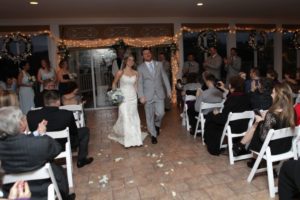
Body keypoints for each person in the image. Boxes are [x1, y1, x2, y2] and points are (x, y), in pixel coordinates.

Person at [0, 106, 75, 200]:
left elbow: (20, 141)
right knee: (59, 170)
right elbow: (57, 148)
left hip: (13, 192)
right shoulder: (42, 143)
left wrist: (37, 133)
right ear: (21, 124)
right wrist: (43, 134)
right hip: (45, 191)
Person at [27, 90, 93, 168]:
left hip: (42, 146)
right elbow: (74, 132)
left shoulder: (31, 115)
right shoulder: (67, 114)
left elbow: (32, 132)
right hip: (62, 144)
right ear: (58, 101)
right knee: (85, 131)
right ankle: (81, 160)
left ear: (45, 102)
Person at [233, 83, 295, 164]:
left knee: (257, 125)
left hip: (272, 150)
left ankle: (243, 149)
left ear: (278, 96)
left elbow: (263, 137)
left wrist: (261, 121)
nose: (271, 95)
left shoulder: (272, 114)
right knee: (259, 125)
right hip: (286, 147)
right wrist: (265, 119)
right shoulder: (292, 112)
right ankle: (240, 146)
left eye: (273, 93)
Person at [204, 76, 252, 155]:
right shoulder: (247, 97)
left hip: (231, 127)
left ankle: (213, 146)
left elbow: (223, 119)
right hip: (244, 126)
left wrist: (216, 114)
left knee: (210, 116)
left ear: (231, 86)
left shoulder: (232, 99)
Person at [108, 55, 147, 147]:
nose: (131, 61)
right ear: (125, 61)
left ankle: (136, 139)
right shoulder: (120, 72)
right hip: (123, 98)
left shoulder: (136, 73)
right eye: (129, 60)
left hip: (133, 97)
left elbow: (136, 86)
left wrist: (140, 96)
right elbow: (114, 83)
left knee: (134, 117)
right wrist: (116, 98)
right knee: (126, 117)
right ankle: (128, 142)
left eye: (133, 60)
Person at [137, 48, 171, 144]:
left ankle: (157, 124)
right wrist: (141, 96)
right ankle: (153, 135)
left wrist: (169, 91)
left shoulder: (159, 64)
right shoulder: (140, 68)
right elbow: (139, 83)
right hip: (147, 95)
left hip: (159, 94)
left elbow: (165, 77)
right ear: (142, 56)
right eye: (144, 53)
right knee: (149, 116)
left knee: (161, 113)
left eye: (148, 53)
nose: (147, 54)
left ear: (151, 54)